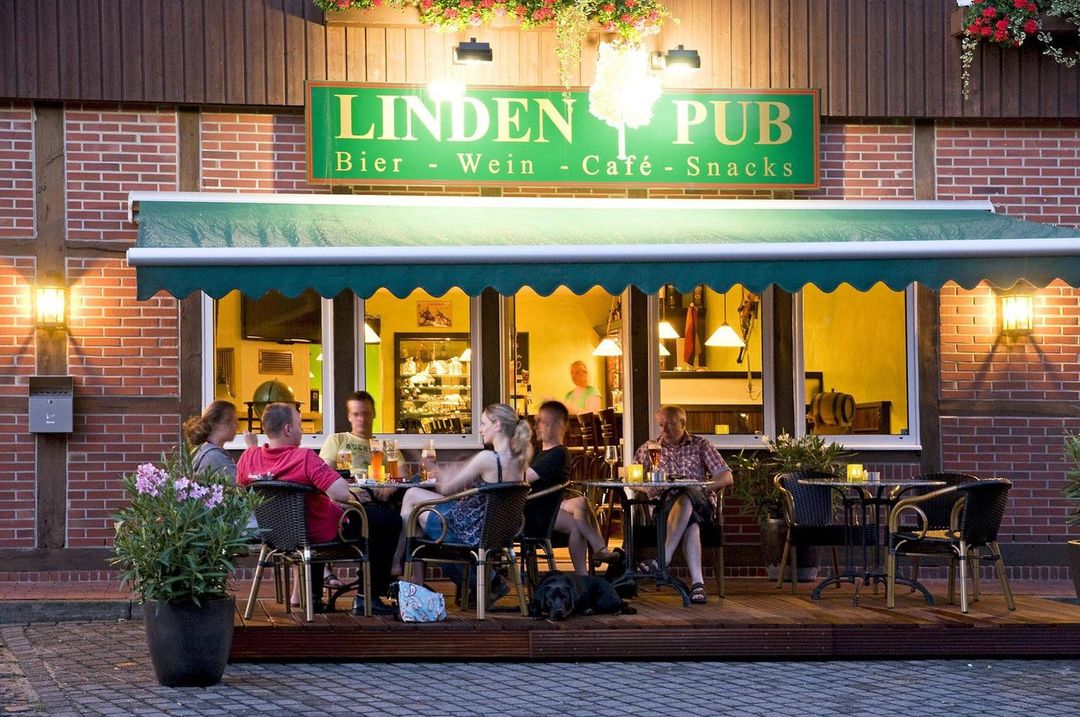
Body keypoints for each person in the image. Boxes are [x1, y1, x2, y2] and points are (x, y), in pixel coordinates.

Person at [236, 403, 398, 615]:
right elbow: (341, 493)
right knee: (388, 520)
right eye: (299, 424)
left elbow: (241, 492)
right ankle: (367, 598)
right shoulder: (304, 458)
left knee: (317, 516)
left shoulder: (248, 457)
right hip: (320, 532)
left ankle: (312, 597)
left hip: (275, 535)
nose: (302, 430)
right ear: (287, 429)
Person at [393, 403, 532, 604]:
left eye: (483, 424)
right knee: (415, 501)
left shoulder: (488, 458)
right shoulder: (520, 461)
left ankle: (399, 564)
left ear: (497, 425)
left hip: (467, 531)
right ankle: (419, 580)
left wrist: (431, 466)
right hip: (498, 531)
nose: (480, 429)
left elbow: (446, 488)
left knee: (411, 498)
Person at [633, 405, 733, 605]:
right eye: (661, 425)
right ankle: (698, 584)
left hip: (701, 504)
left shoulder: (701, 445)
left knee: (687, 495)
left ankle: (663, 559)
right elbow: (632, 478)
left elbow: (726, 477)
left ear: (683, 423)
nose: (664, 430)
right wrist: (647, 488)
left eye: (669, 424)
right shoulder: (649, 447)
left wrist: (701, 488)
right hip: (665, 509)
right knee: (690, 521)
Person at [317, 390, 402, 605]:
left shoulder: (386, 445)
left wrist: (390, 487)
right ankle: (369, 596)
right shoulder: (338, 440)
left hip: (378, 501)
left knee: (391, 520)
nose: (361, 419)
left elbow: (403, 475)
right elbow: (323, 475)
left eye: (366, 413)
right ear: (349, 416)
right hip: (345, 505)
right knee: (387, 523)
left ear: (374, 414)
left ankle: (371, 592)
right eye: (356, 414)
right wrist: (349, 493)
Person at [525, 400, 621, 575]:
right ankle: (594, 557)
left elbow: (524, 478)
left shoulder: (557, 454)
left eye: (543, 422)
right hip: (536, 509)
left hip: (540, 509)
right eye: (537, 421)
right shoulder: (541, 454)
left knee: (580, 511)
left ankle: (592, 561)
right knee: (580, 509)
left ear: (559, 426)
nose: (536, 426)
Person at [183, 400, 257, 482]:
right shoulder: (215, 457)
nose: (236, 425)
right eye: (232, 420)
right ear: (216, 424)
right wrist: (252, 449)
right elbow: (244, 485)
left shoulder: (205, 451)